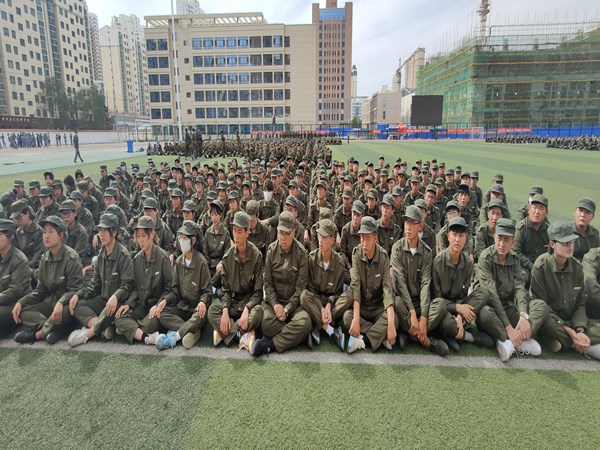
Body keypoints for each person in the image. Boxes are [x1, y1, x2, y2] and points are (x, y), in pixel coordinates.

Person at [475, 218, 548, 361]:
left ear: (513, 242)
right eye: (499, 238)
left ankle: (510, 342)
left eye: (506, 240)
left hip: (508, 308)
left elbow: (519, 288)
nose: (502, 244)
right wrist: (509, 328)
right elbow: (492, 295)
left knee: (541, 307)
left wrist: (523, 316)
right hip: (490, 308)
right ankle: (511, 339)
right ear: (494, 237)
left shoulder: (514, 259)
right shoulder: (485, 258)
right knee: (485, 314)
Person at [531, 221, 600, 361]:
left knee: (593, 327)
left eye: (572, 242)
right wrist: (568, 330)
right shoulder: (541, 266)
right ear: (552, 244)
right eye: (565, 243)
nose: (570, 246)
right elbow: (540, 305)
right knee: (547, 324)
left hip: (572, 320)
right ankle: (581, 344)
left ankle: (569, 343)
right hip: (552, 320)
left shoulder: (577, 268)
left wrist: (580, 330)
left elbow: (580, 304)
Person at [12, 216, 83, 344]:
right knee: (23, 309)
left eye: (51, 232)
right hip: (51, 304)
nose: (46, 236)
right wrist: (21, 302)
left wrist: (61, 302)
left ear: (61, 235)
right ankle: (54, 329)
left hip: (68, 305)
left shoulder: (71, 258)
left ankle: (37, 335)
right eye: (44, 232)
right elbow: (40, 290)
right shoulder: (44, 258)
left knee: (67, 311)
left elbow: (76, 289)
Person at [67, 213, 134, 346]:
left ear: (114, 232)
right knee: (78, 305)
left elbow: (128, 285)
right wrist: (78, 294)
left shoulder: (123, 256)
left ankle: (88, 334)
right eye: (100, 230)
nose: (101, 234)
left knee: (109, 310)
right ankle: (103, 327)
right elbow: (94, 284)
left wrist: (115, 296)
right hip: (103, 300)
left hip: (118, 303)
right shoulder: (101, 255)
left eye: (105, 230)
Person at [390, 206, 448, 356]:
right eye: (406, 222)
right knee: (396, 302)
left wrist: (423, 317)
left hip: (420, 303)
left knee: (441, 305)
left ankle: (410, 334)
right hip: (404, 305)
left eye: (412, 223)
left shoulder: (427, 252)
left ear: (420, 225)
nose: (408, 227)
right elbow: (400, 284)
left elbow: (425, 284)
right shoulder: (397, 249)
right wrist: (411, 312)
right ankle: (426, 341)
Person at [251, 211, 311, 356]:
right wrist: (275, 305)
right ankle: (297, 336)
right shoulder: (271, 251)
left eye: (286, 233)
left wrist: (287, 309)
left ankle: (269, 345)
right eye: (280, 232)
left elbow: (301, 288)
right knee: (265, 323)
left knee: (305, 322)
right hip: (276, 305)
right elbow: (268, 284)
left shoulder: (301, 254)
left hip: (295, 306)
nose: (282, 237)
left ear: (294, 233)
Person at [429, 217, 493, 352]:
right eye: (454, 235)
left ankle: (458, 326)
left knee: (483, 293)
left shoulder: (468, 263)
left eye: (461, 236)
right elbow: (436, 300)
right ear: (448, 237)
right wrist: (457, 308)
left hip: (459, 309)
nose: (457, 240)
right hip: (443, 309)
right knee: (447, 323)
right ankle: (469, 336)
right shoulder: (438, 262)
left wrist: (460, 316)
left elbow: (463, 295)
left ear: (466, 239)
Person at [207, 211, 264, 350]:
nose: (236, 236)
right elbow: (226, 290)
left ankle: (224, 332)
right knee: (212, 311)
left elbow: (258, 293)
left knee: (258, 312)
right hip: (233, 302)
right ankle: (241, 335)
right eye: (234, 231)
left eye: (239, 232)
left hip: (248, 303)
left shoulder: (256, 256)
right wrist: (225, 311)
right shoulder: (227, 258)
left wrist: (247, 308)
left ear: (247, 233)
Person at [113, 216, 173, 346]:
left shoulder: (162, 257)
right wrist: (129, 304)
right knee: (119, 317)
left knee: (148, 325)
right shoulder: (137, 259)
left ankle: (133, 331)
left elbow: (170, 288)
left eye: (144, 236)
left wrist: (159, 304)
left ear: (152, 235)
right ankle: (145, 336)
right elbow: (135, 287)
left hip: (157, 306)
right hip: (142, 305)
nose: (141, 240)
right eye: (138, 236)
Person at [343, 216, 397, 353]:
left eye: (368, 238)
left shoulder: (383, 257)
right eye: (362, 238)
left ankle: (362, 341)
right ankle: (379, 335)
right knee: (348, 317)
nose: (364, 243)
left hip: (377, 306)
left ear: (375, 238)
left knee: (394, 319)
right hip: (362, 306)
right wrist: (356, 318)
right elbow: (355, 286)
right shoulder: (356, 253)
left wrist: (391, 324)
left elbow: (387, 289)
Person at [155, 221, 212, 350]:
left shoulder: (201, 262)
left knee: (200, 316)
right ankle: (192, 329)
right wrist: (165, 300)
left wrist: (203, 302)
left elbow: (208, 292)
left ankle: (174, 337)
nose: (182, 241)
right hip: (182, 307)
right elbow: (175, 291)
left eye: (185, 238)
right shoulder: (179, 261)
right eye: (181, 237)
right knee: (162, 313)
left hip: (197, 309)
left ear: (193, 240)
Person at [300, 219, 348, 350]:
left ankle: (317, 324)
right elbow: (310, 290)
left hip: (331, 304)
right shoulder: (311, 259)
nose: (320, 241)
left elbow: (338, 292)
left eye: (325, 237)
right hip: (316, 301)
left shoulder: (339, 263)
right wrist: (321, 308)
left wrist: (329, 305)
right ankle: (330, 330)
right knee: (304, 296)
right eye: (319, 236)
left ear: (332, 240)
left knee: (348, 296)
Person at [0, 219, 32, 338]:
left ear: (11, 237)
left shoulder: (19, 260)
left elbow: (15, 291)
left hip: (16, 306)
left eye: (0, 235)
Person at [513, 194, 550, 280]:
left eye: (541, 208)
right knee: (522, 277)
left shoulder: (549, 230)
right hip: (524, 267)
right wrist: (531, 266)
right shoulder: (521, 228)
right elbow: (515, 251)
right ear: (529, 210)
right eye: (534, 207)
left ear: (546, 213)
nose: (537, 212)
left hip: (543, 267)